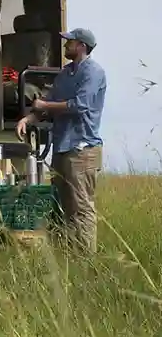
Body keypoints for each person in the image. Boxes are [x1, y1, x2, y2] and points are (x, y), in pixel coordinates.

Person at [16, 27, 106, 254]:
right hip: (62, 147)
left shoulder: (93, 72)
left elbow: (79, 105)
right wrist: (28, 119)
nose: (65, 46)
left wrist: (45, 106)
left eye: (70, 42)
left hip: (82, 148)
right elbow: (48, 102)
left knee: (81, 207)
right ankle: (67, 256)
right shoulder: (65, 73)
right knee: (61, 206)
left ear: (82, 46)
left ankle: (86, 259)